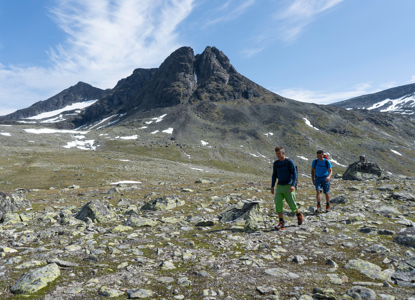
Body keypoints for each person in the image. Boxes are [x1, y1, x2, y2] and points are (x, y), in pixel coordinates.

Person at [271, 146, 303, 230]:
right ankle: (281, 222)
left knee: (292, 204)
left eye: (279, 153)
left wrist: (293, 185)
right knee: (278, 203)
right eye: (276, 154)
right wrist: (272, 186)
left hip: (289, 186)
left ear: (283, 153)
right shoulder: (276, 163)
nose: (277, 155)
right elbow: (274, 175)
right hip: (279, 186)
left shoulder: (289, 161)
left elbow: (294, 173)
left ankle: (299, 214)